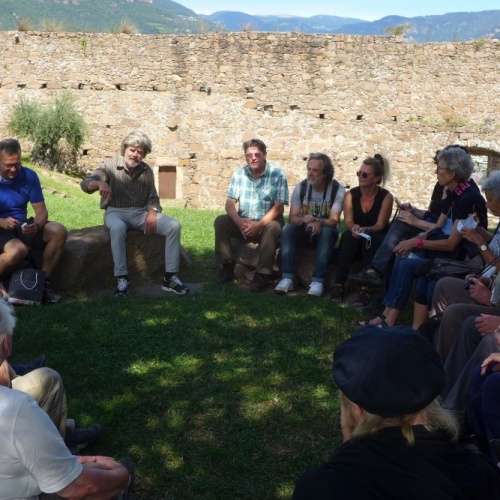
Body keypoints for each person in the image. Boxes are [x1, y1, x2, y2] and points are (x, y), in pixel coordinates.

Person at [293, 326, 500, 499]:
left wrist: (349, 453)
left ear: (356, 409)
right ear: (430, 400)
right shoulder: (483, 475)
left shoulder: (320, 488)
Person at [0, 300, 133, 498]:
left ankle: (65, 450)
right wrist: (123, 476)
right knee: (105, 476)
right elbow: (79, 487)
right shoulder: (15, 409)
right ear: (7, 344)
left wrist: (74, 462)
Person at [362, 146, 488, 329]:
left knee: (407, 262)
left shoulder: (468, 197)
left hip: (465, 260)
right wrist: (413, 240)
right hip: (452, 254)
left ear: (452, 173)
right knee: (402, 255)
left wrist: (415, 242)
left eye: (440, 167)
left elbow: (452, 244)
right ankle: (387, 315)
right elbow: (438, 227)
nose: (436, 171)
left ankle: (389, 318)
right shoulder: (456, 192)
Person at [81, 130, 188, 297]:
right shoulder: (109, 165)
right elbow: (85, 183)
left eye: (140, 152)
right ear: (124, 148)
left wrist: (152, 212)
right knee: (117, 228)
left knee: (174, 226)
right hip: (115, 211)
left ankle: (170, 278)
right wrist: (98, 183)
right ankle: (122, 279)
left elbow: (153, 197)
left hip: (140, 213)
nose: (135, 154)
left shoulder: (146, 170)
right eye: (132, 150)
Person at [348, 148, 450, 289]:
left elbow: (442, 228)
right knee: (397, 240)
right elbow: (431, 215)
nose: (436, 172)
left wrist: (414, 221)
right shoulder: (441, 187)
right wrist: (413, 210)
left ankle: (376, 272)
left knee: (397, 242)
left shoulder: (458, 194)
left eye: (439, 168)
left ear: (452, 170)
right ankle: (380, 290)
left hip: (440, 236)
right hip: (430, 227)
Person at [214, 139, 289, 292]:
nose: (253, 158)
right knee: (221, 221)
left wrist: (259, 224)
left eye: (257, 154)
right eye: (249, 155)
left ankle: (262, 274)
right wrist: (239, 221)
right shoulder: (239, 174)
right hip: (244, 222)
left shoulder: (277, 174)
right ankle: (226, 266)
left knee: (273, 226)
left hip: (267, 222)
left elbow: (279, 207)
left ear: (265, 155)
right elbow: (230, 202)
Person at [0, 138, 67, 304]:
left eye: (17, 164)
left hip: (20, 226)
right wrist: (1, 222)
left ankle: (42, 285)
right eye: (8, 165)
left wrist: (36, 225)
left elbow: (41, 211)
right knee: (17, 251)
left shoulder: (29, 176)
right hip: (1, 227)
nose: (14, 169)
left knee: (58, 231)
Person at [274, 153, 345, 297]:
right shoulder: (301, 187)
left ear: (325, 173)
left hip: (326, 230)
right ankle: (287, 277)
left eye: (315, 170)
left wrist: (319, 222)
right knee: (288, 229)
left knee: (326, 232)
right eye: (309, 169)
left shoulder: (338, 190)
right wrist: (305, 220)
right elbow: (292, 218)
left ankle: (318, 280)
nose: (310, 173)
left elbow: (334, 220)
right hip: (304, 229)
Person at [330, 154, 393, 305]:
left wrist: (367, 229)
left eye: (365, 174)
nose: (361, 177)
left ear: (376, 178)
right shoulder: (350, 195)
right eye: (359, 173)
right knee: (347, 237)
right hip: (357, 234)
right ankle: (339, 284)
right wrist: (355, 228)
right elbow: (349, 221)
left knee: (371, 241)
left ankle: (366, 288)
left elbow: (381, 225)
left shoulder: (386, 197)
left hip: (376, 235)